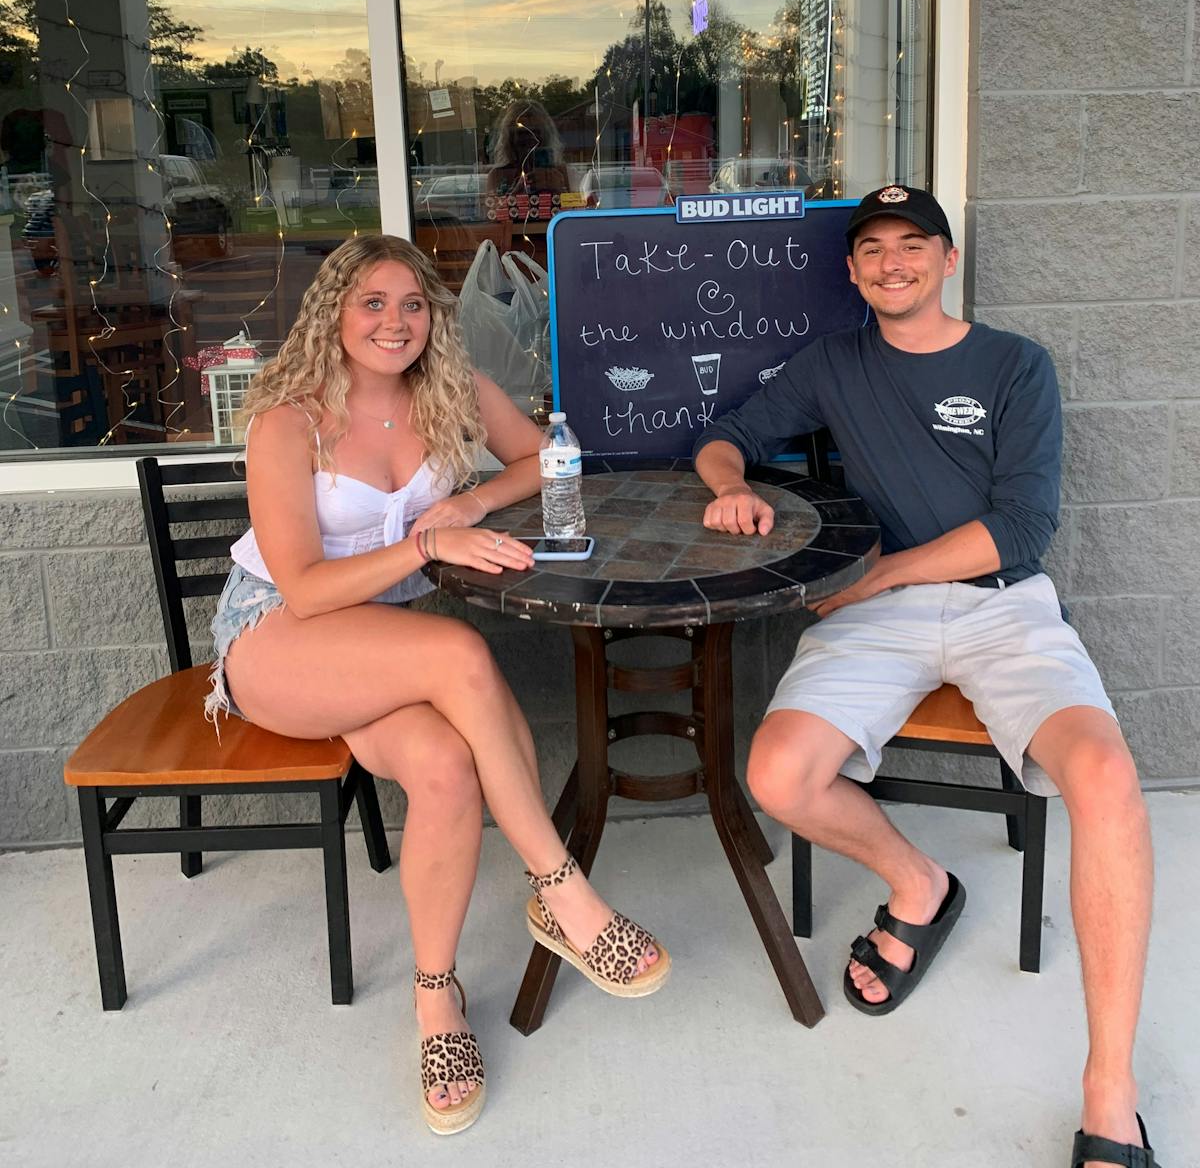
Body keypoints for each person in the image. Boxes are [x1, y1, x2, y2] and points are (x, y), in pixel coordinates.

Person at [693, 185, 1159, 1168]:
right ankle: (920, 883)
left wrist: (878, 572)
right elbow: (726, 431)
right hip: (882, 618)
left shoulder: (1015, 365)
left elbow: (1024, 527)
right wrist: (732, 484)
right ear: (854, 271)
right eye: (872, 249)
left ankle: (1110, 1089)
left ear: (948, 260)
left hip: (1001, 599)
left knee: (1108, 778)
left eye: (914, 244)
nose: (892, 261)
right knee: (777, 775)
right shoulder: (834, 362)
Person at [209, 234, 668, 1136]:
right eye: (372, 303)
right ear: (334, 314)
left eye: (413, 304)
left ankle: (435, 997)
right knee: (460, 658)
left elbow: (549, 460)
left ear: (434, 315)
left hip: (387, 646)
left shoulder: (450, 393)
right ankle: (560, 887)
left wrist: (468, 503)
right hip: (280, 637)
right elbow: (302, 586)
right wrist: (424, 542)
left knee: (449, 771)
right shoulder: (289, 421)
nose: (395, 322)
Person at [486, 98, 570, 200]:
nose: (530, 139)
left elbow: (575, 210)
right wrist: (515, 194)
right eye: (522, 133)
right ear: (510, 138)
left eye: (535, 132)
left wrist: (559, 189)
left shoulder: (559, 172)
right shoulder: (498, 175)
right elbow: (491, 213)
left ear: (545, 135)